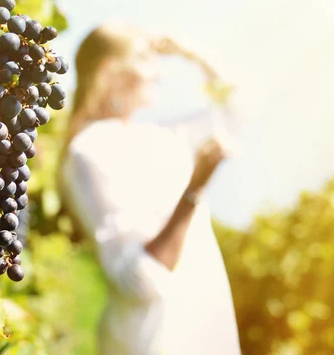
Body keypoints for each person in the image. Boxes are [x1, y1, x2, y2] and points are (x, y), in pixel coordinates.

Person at [59, 21, 242, 355]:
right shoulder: (89, 152)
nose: (160, 73)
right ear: (110, 70)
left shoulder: (162, 138)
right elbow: (139, 279)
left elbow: (239, 109)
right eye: (146, 59)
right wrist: (195, 189)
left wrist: (191, 52)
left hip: (202, 333)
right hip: (154, 343)